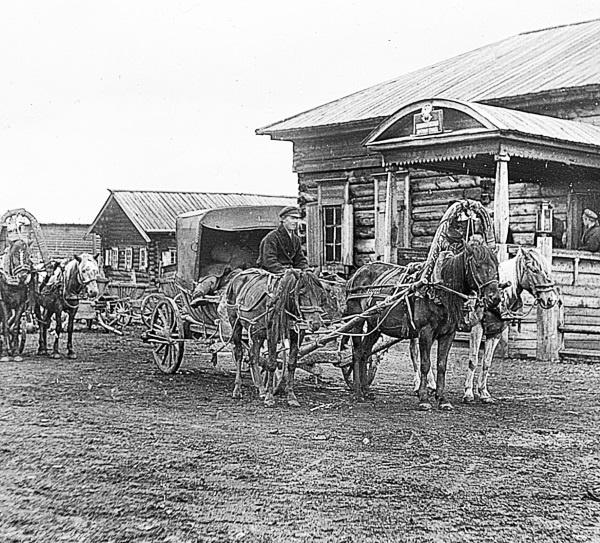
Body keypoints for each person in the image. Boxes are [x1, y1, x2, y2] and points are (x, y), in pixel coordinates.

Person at [257, 206, 308, 274]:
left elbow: (300, 259)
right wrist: (285, 271)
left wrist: (306, 269)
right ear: (283, 219)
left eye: (297, 219)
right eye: (292, 218)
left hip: (290, 273)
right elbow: (269, 261)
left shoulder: (296, 239)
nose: (295, 221)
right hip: (273, 273)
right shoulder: (272, 237)